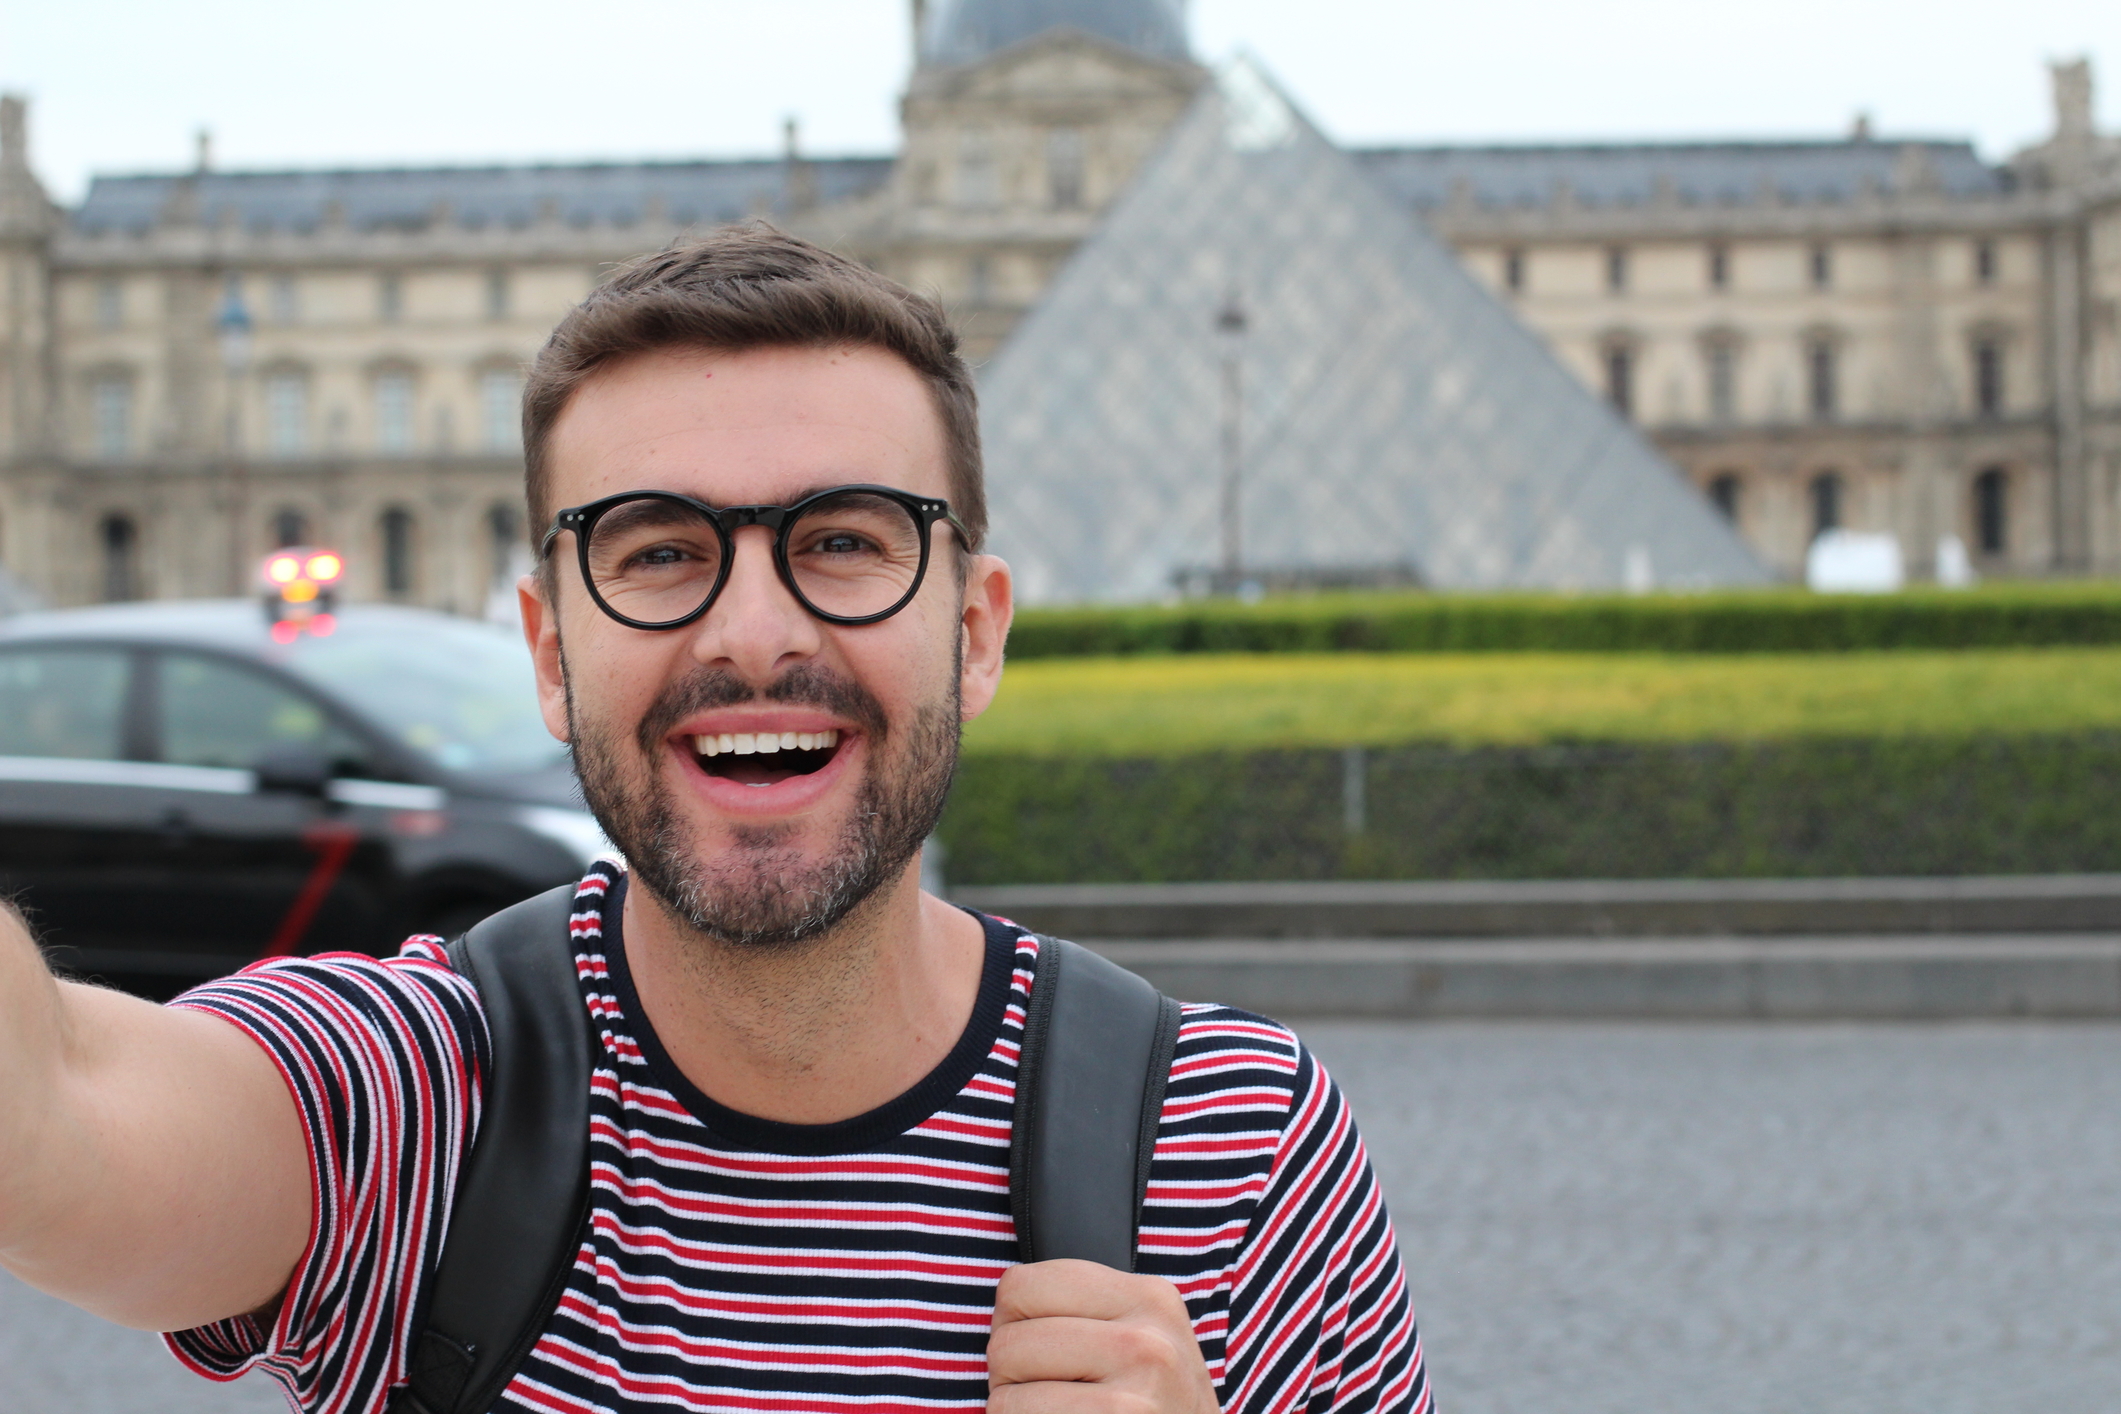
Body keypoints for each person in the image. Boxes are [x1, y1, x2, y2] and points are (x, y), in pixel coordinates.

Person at [0, 225, 1427, 1414]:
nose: (753, 630)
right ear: (551, 652)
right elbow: (50, 1107)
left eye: (846, 539)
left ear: (975, 630)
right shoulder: (416, 1111)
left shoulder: (1236, 1145)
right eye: (661, 550)